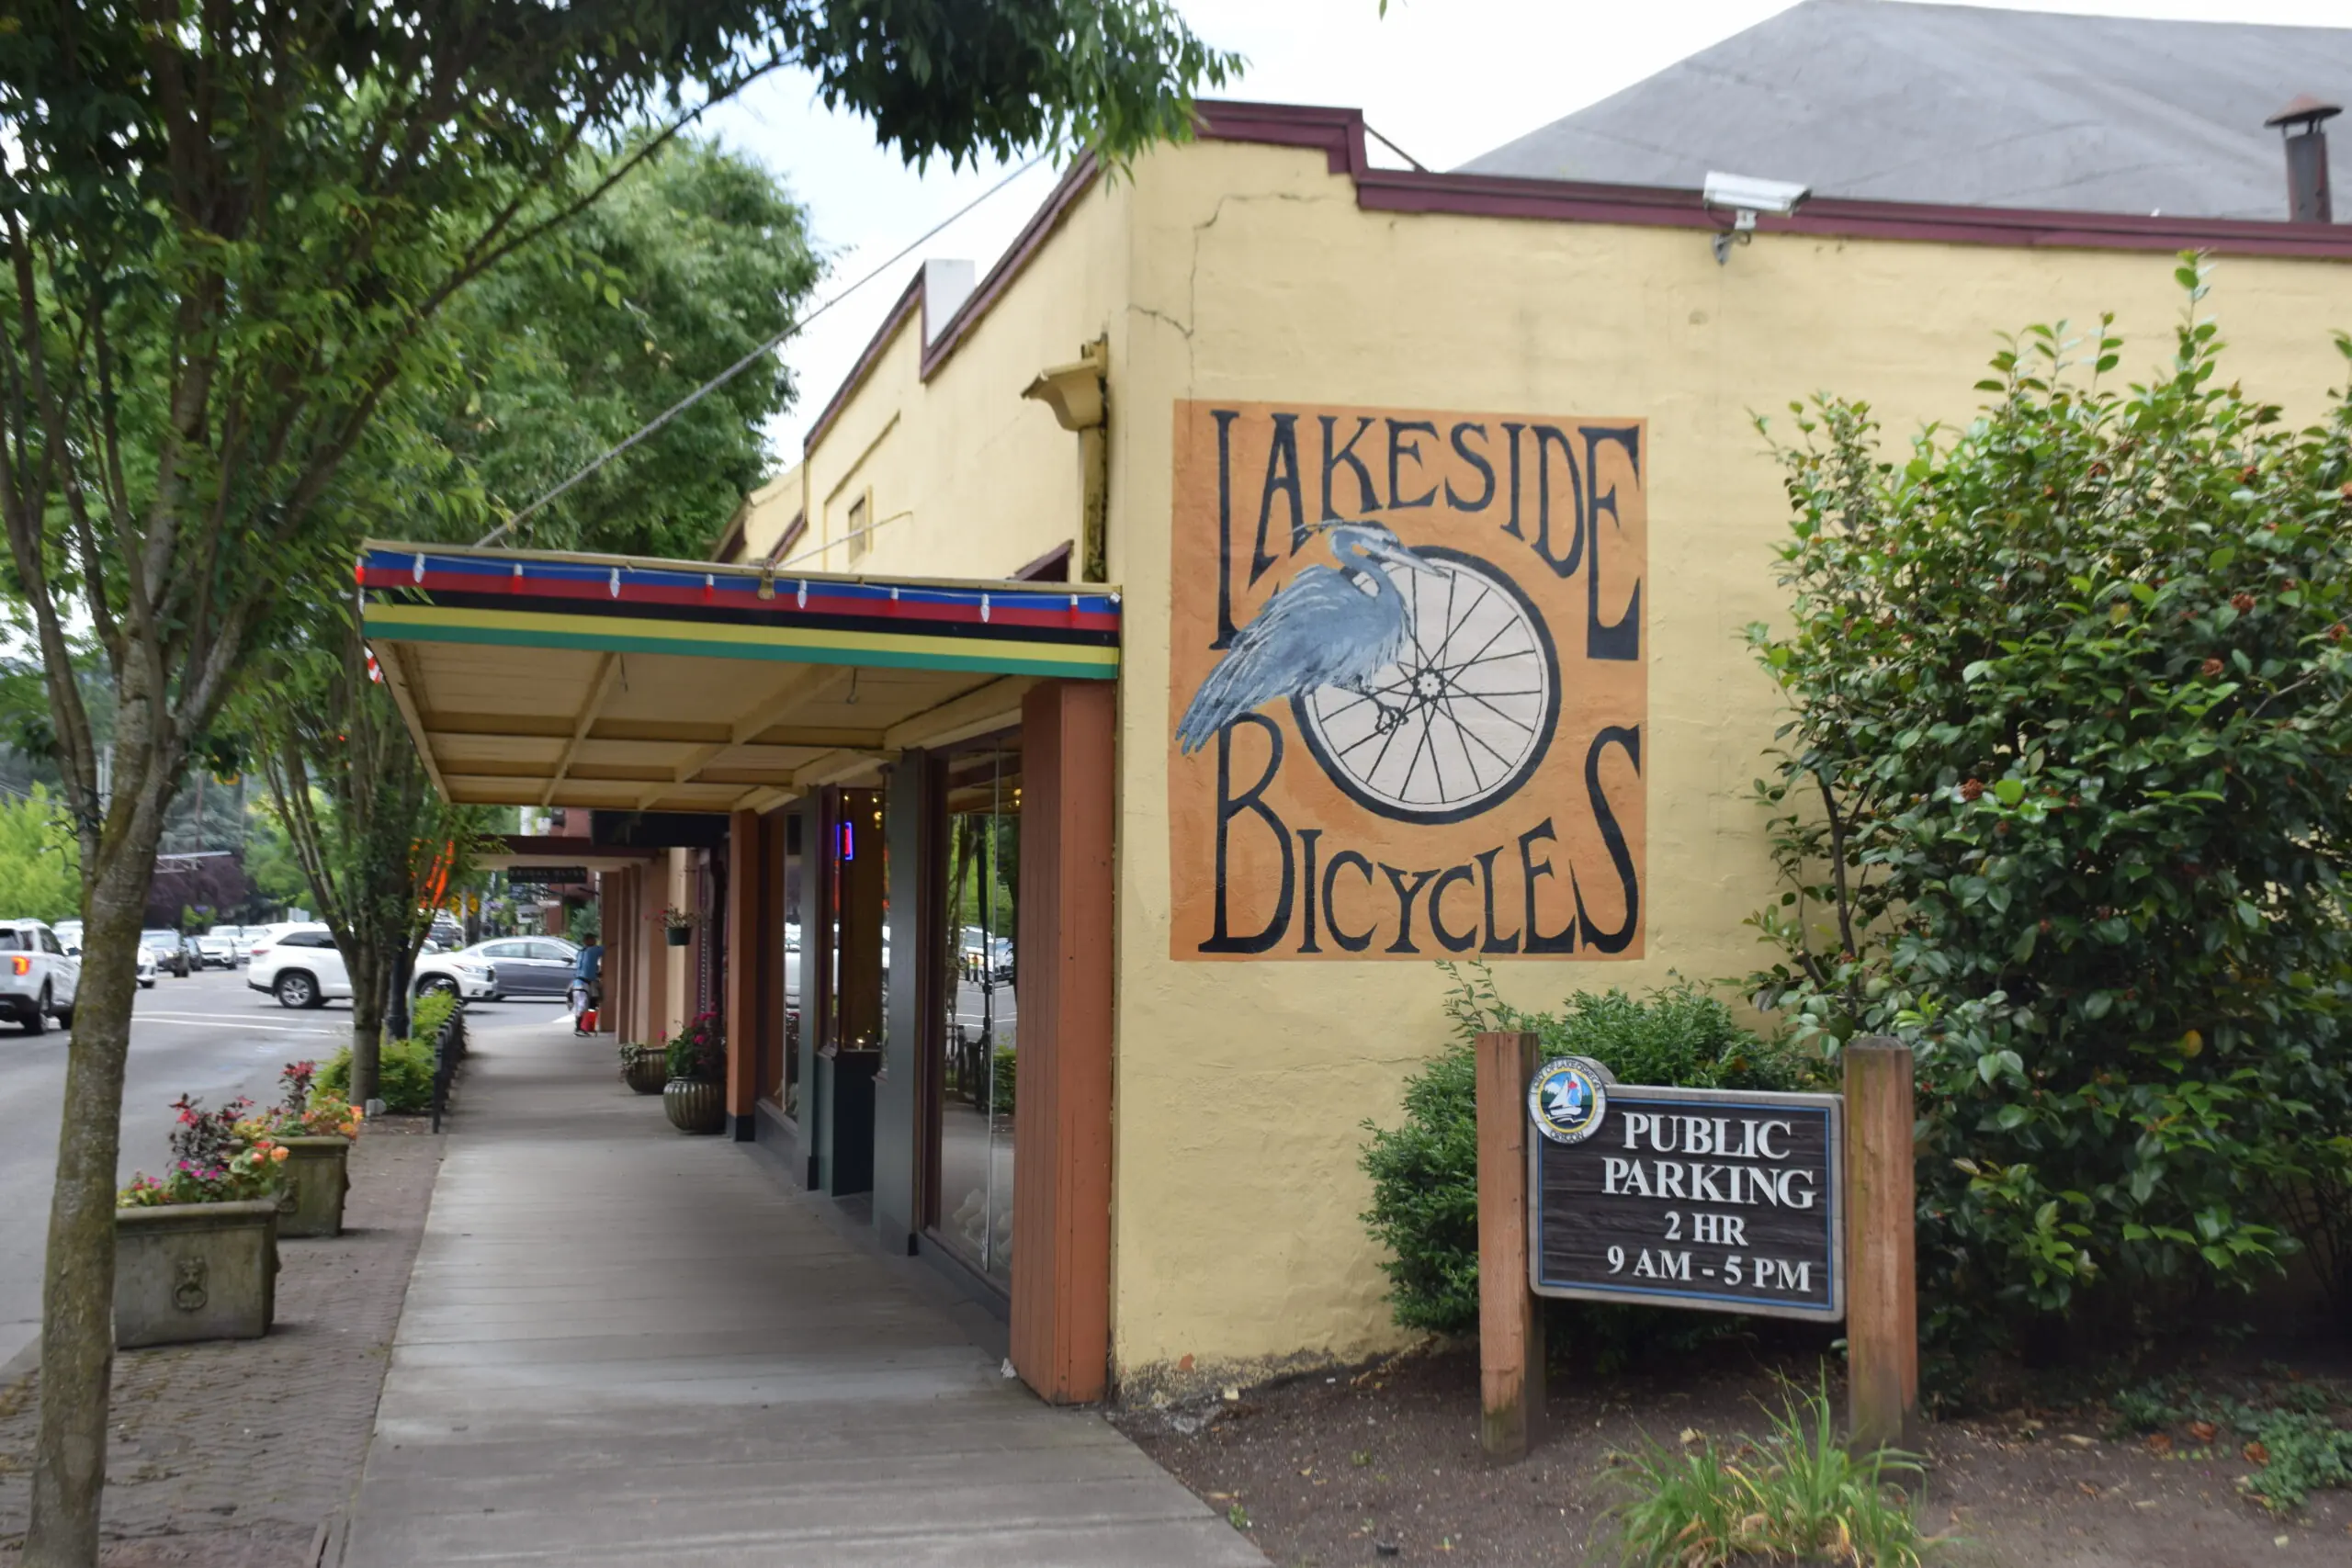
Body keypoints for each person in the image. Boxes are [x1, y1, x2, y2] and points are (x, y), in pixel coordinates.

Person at [571, 938, 605, 1036]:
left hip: (577, 982)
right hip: (584, 983)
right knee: (583, 1005)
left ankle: (580, 1027)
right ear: (590, 941)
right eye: (594, 940)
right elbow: (605, 948)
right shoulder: (593, 950)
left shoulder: (580, 952)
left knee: (580, 1005)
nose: (595, 942)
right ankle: (579, 1028)